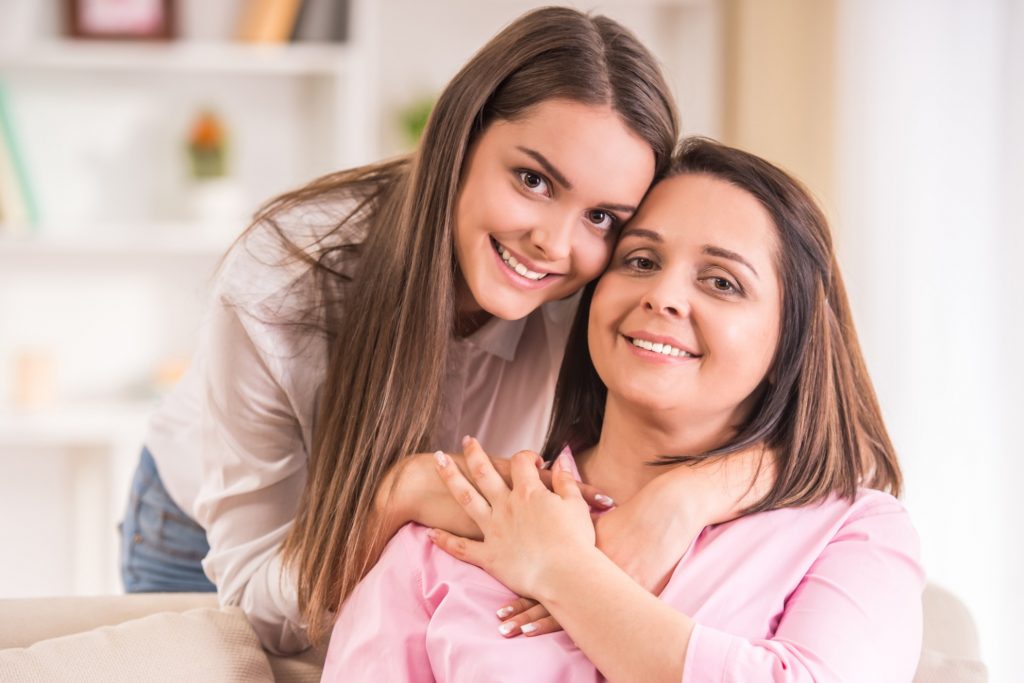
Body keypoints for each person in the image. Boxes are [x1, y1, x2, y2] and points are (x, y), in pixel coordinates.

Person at [119, 6, 679, 654]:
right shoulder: (279, 283)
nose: (554, 244)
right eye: (533, 179)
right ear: (461, 137)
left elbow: (792, 421)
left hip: (412, 545)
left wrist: (686, 498)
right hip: (212, 542)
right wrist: (401, 492)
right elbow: (260, 613)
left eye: (603, 217)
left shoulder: (600, 297)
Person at [323, 138, 925, 682]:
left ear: (792, 336)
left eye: (721, 282)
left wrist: (564, 572)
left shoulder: (850, 532)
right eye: (639, 261)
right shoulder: (453, 531)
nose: (662, 296)